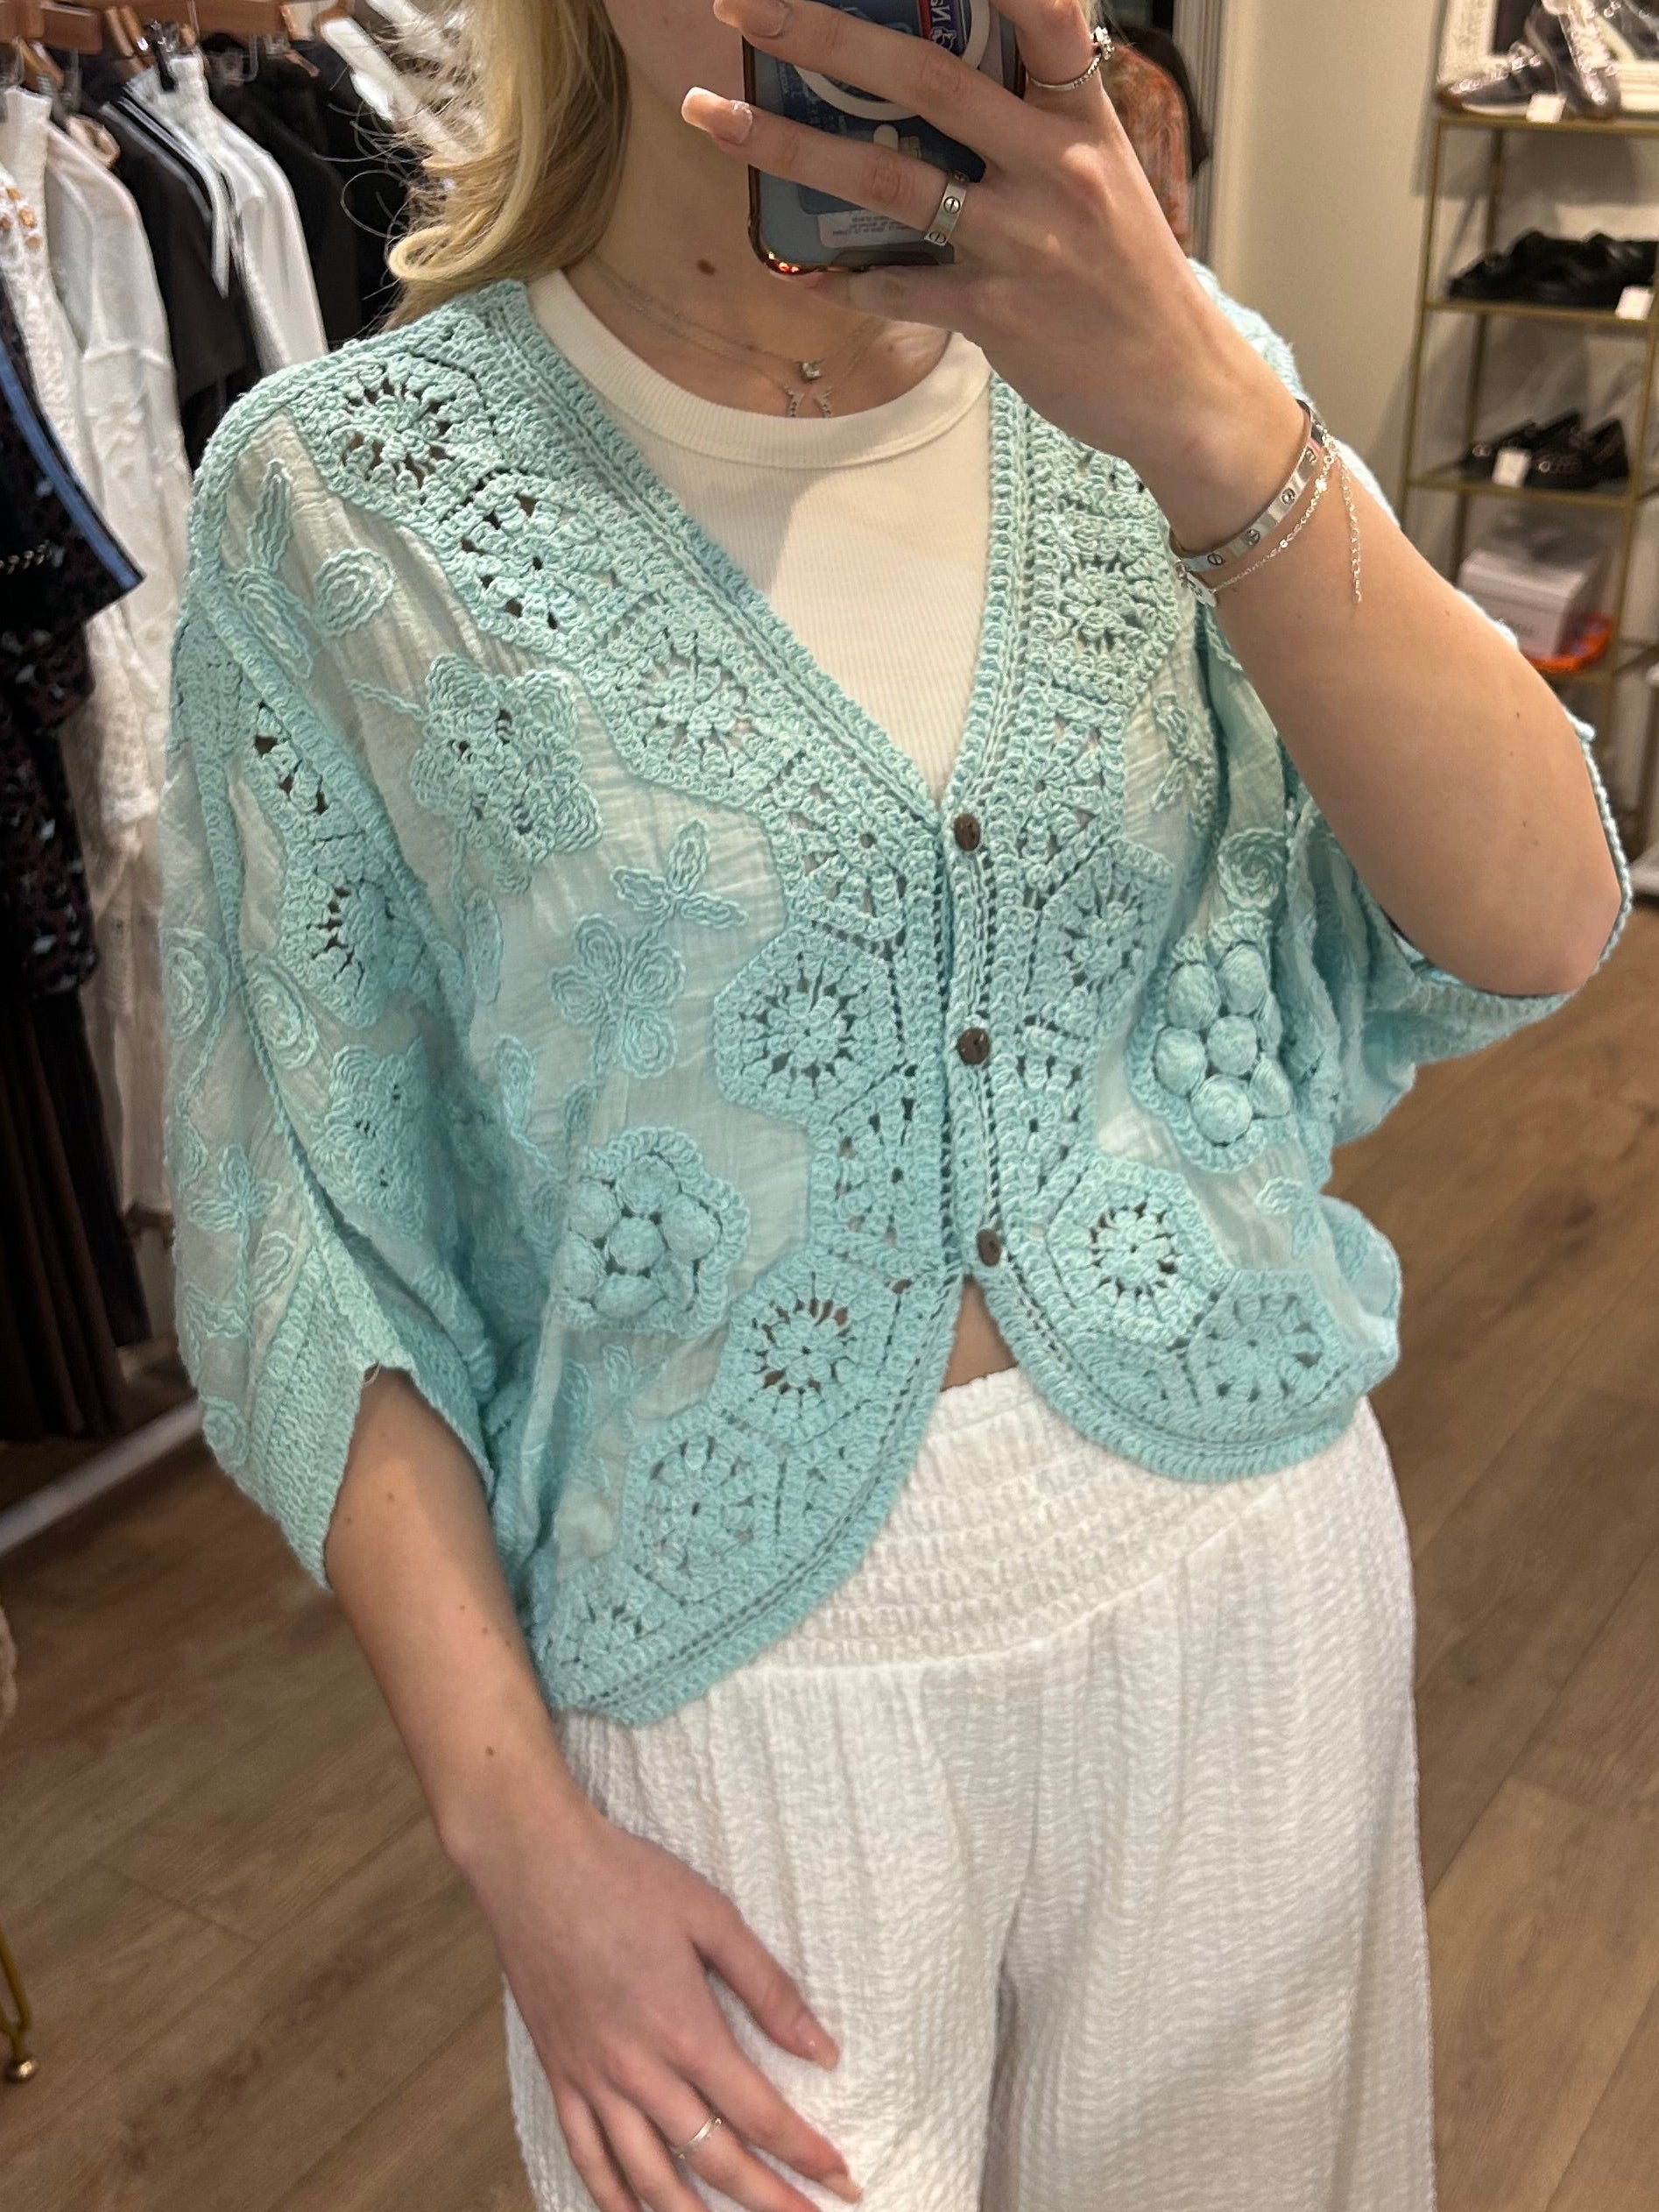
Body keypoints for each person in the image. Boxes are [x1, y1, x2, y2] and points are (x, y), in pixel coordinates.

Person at [157, 0, 1628, 2204]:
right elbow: (310, 1225)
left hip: (1238, 1581)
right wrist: (515, 1839)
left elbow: (1537, 917)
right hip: (731, 1677)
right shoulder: (344, 500)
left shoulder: (1175, 385)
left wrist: (1208, 418)